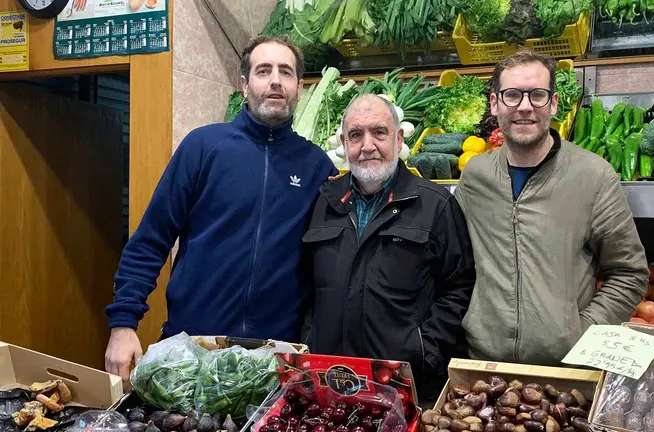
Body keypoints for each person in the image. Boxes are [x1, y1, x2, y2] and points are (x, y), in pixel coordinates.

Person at [104, 35, 336, 389]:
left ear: (298, 88)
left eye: (286, 72)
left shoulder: (317, 165)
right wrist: (123, 324)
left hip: (273, 358)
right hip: (193, 347)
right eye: (263, 70)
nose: (275, 80)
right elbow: (150, 241)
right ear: (245, 84)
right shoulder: (204, 147)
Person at [455, 50, 648, 365]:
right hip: (483, 365)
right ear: (495, 104)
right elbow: (453, 264)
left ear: (554, 103)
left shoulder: (593, 176)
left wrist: (584, 332)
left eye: (538, 95)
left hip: (564, 370)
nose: (525, 107)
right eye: (512, 95)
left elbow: (629, 272)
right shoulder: (475, 176)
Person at [301, 94, 475, 402]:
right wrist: (308, 339)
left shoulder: (436, 205)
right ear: (344, 143)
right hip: (331, 383)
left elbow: (460, 286)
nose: (367, 145)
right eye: (356, 135)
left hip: (403, 386)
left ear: (397, 139)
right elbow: (306, 287)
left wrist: (426, 350)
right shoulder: (323, 202)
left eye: (379, 133)